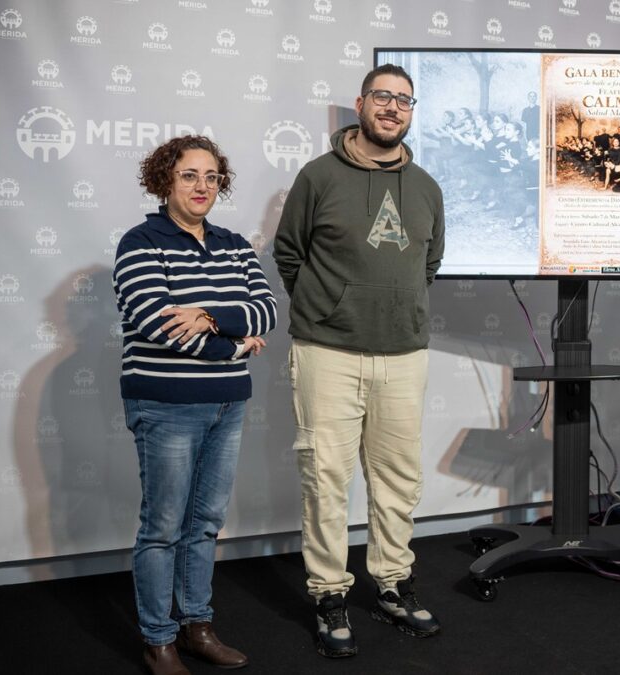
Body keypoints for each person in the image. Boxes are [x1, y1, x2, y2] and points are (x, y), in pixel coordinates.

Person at [273, 63, 446, 658]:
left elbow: (429, 263)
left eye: (404, 100)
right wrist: (330, 308)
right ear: (361, 103)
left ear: (411, 111)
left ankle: (393, 583)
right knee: (325, 480)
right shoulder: (317, 176)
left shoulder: (426, 187)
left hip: (404, 353)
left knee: (398, 479)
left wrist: (394, 309)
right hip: (327, 351)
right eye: (383, 96)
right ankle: (329, 593)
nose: (393, 107)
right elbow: (289, 254)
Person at [113, 135, 276, 675]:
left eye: (211, 177)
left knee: (205, 522)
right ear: (165, 180)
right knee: (163, 526)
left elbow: (266, 310)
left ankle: (196, 626)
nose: (202, 186)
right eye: (189, 175)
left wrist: (204, 313)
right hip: (166, 405)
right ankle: (158, 640)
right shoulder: (141, 242)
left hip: (227, 404)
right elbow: (158, 323)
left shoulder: (233, 244)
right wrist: (233, 345)